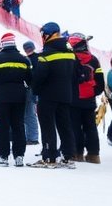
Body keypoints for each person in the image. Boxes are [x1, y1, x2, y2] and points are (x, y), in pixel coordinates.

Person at [28, 22, 78, 169]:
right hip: (66, 95)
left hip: (48, 96)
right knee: (65, 125)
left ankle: (50, 157)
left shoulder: (47, 53)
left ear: (47, 35)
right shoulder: (70, 53)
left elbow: (39, 76)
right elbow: (75, 76)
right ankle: (68, 156)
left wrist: (35, 90)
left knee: (47, 126)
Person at [0, 32, 29, 166]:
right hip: (20, 97)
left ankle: (3, 156)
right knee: (18, 126)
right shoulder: (24, 59)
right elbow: (30, 79)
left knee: (3, 126)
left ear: (2, 44)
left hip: (1, 97)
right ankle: (19, 156)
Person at [69, 33, 104, 164]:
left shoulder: (70, 59)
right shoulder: (94, 60)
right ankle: (94, 155)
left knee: (75, 127)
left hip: (73, 99)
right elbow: (100, 82)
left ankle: (77, 153)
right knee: (91, 127)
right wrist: (93, 92)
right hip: (89, 100)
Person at [21, 41, 40, 145]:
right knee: (31, 113)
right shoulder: (39, 58)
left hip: (29, 89)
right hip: (39, 89)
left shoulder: (25, 60)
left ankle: (32, 137)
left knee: (29, 114)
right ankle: (32, 136)